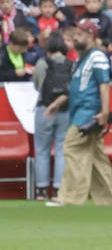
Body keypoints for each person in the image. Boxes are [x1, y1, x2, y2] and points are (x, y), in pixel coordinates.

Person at [48, 20, 112, 207]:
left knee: (72, 148)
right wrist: (58, 103)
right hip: (80, 111)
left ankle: (69, 198)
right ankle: (107, 200)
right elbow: (76, 88)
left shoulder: (98, 57)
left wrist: (104, 112)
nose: (74, 39)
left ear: (91, 35)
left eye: (79, 35)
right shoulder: (81, 59)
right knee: (96, 158)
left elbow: (104, 86)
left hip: (87, 114)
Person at [32, 32, 72, 200]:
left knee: (42, 150)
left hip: (45, 108)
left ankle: (41, 190)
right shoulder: (71, 64)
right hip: (64, 110)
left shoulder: (42, 63)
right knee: (62, 150)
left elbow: (37, 85)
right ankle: (58, 189)